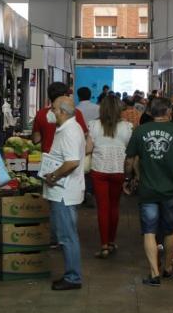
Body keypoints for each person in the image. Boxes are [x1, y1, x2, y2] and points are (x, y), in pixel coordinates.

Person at [126, 97, 173, 286]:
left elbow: (130, 160)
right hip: (172, 189)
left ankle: (154, 273)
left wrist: (128, 178)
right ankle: (167, 267)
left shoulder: (140, 131)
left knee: (149, 231)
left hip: (147, 189)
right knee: (170, 229)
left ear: (149, 112)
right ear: (168, 112)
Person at [41, 94, 86, 290]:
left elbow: (72, 162)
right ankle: (71, 275)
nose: (50, 112)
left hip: (64, 192)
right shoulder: (68, 128)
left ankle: (73, 277)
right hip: (63, 191)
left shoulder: (69, 132)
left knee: (67, 236)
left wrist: (54, 176)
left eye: (53, 109)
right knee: (67, 235)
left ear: (61, 112)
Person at [88, 94, 132, 257]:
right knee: (114, 206)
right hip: (118, 170)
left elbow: (87, 149)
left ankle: (104, 245)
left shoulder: (93, 125)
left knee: (103, 208)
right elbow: (130, 150)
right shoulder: (127, 127)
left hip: (99, 170)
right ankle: (112, 241)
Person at [31, 81, 89, 154]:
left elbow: (36, 140)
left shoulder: (41, 114)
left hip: (48, 158)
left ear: (49, 96)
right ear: (64, 95)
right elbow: (84, 135)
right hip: (70, 156)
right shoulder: (76, 113)